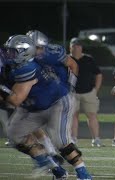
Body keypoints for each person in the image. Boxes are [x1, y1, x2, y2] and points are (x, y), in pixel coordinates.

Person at [3, 35, 92, 179]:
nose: (8, 55)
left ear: (24, 53)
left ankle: (83, 173)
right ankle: (54, 167)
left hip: (57, 103)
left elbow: (15, 99)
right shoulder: (14, 65)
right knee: (15, 134)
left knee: (61, 142)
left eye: (13, 52)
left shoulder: (27, 67)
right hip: (34, 106)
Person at [70, 37, 104, 147]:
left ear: (81, 47)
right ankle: (73, 139)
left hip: (88, 92)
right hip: (72, 93)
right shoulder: (67, 59)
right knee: (73, 116)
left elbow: (98, 74)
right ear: (70, 47)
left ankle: (96, 139)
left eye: (78, 46)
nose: (76, 48)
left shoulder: (89, 59)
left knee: (92, 115)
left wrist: (96, 90)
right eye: (74, 45)